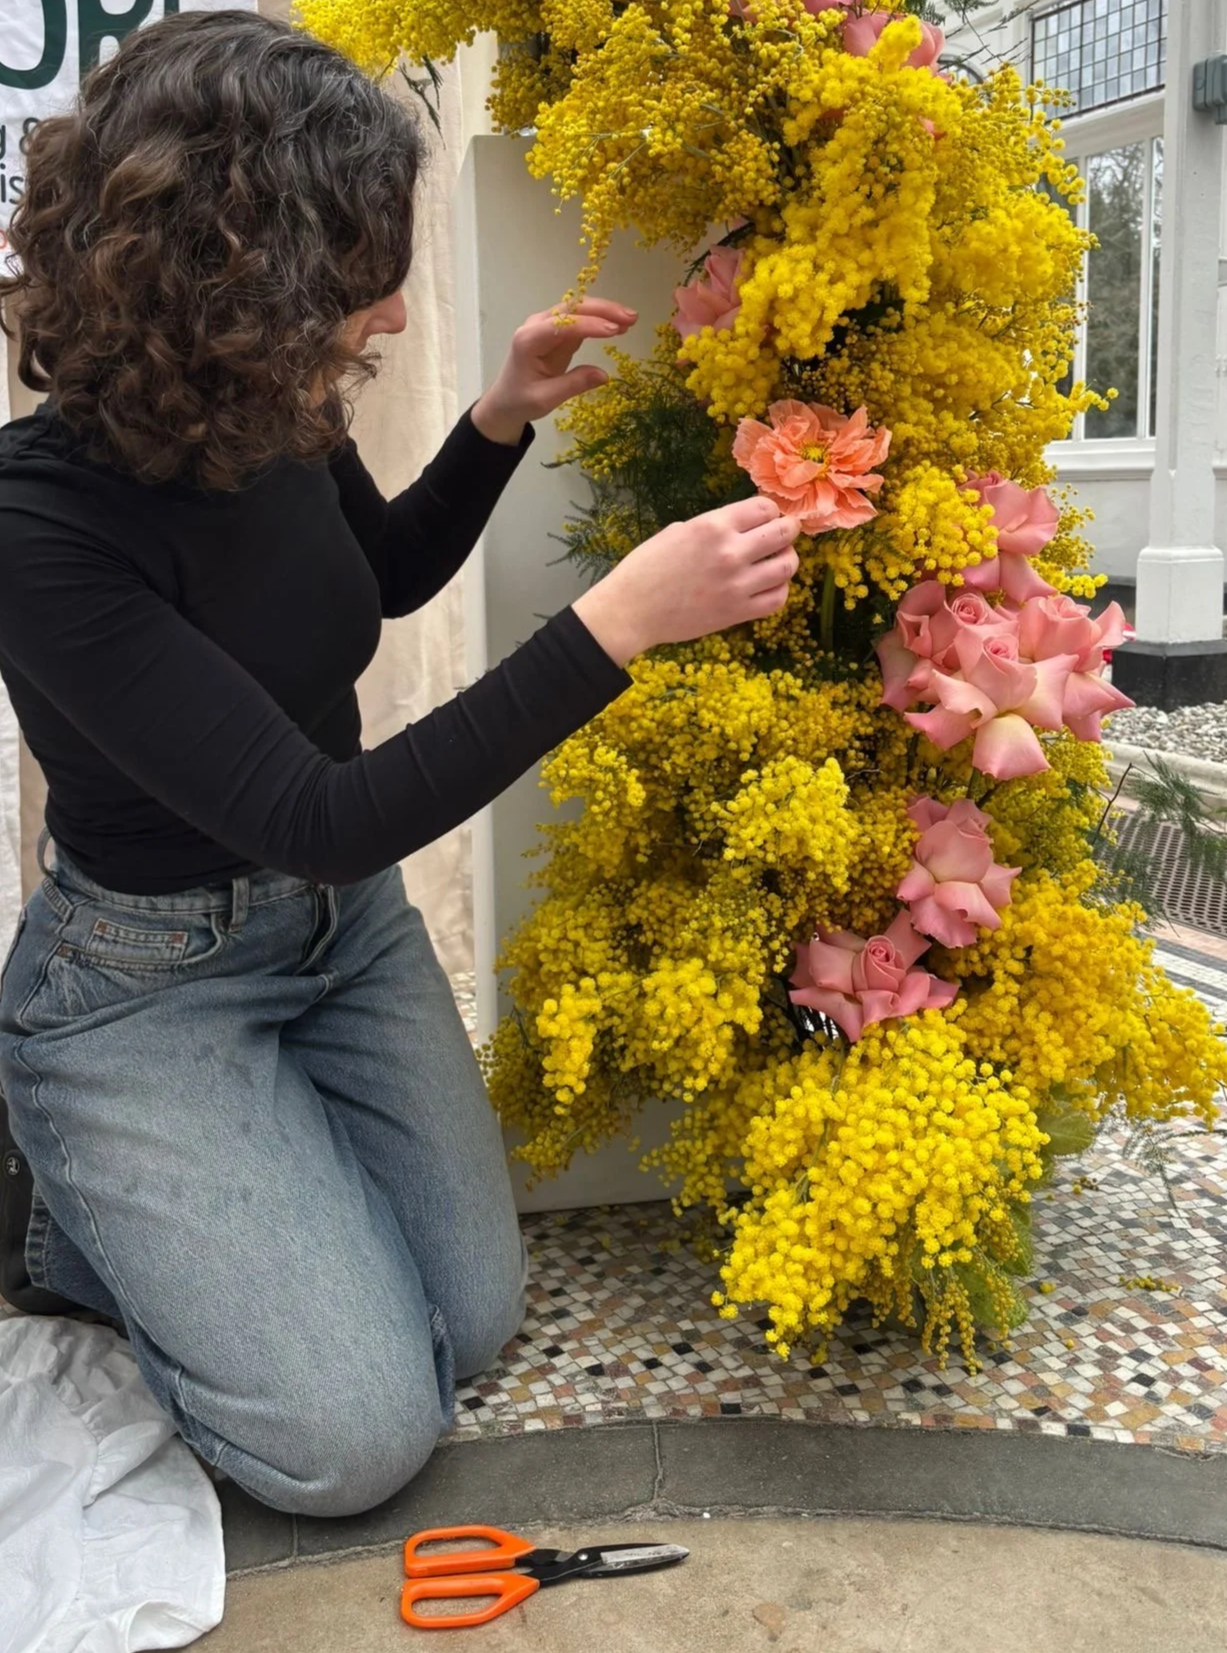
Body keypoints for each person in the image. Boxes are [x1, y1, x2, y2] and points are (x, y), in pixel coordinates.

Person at [0, 10, 799, 1517]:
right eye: (359, 281)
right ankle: (70, 1211)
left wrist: (498, 416)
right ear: (232, 279)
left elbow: (380, 581)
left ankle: (225, 1180)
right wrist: (615, 625)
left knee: (473, 1317)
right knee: (349, 1444)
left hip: (336, 935)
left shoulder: (268, 407)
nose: (384, 316)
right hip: (145, 977)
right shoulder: (38, 530)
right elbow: (318, 816)